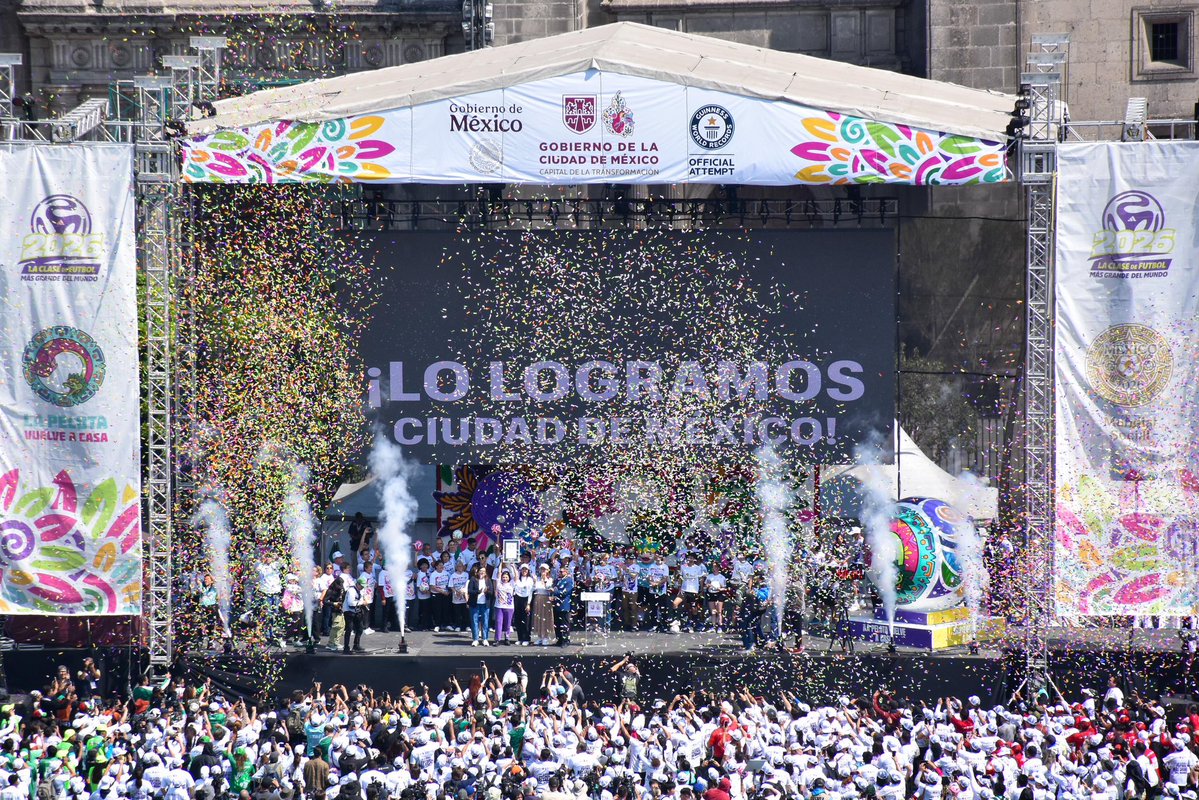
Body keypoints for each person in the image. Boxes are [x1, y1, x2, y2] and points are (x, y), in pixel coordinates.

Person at [342, 575, 368, 654]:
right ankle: (346, 648)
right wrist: (362, 603)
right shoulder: (351, 591)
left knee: (360, 628)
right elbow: (351, 603)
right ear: (358, 584)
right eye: (362, 586)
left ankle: (356, 645)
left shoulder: (360, 590)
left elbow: (361, 597)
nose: (363, 588)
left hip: (356, 611)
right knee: (349, 629)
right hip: (348, 611)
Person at [531, 564, 556, 646]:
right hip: (538, 599)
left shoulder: (550, 579)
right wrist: (535, 581)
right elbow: (534, 589)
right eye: (542, 569)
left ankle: (545, 636)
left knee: (545, 617)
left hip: (546, 599)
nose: (543, 571)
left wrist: (544, 580)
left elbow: (548, 589)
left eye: (544, 570)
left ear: (548, 571)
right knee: (538, 617)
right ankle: (539, 637)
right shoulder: (537, 579)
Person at [467, 564, 492, 646]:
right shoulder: (473, 579)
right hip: (475, 603)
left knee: (485, 621)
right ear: (477, 572)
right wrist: (478, 591)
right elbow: (470, 591)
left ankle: (485, 639)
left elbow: (491, 592)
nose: (482, 573)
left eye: (484, 572)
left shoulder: (488, 580)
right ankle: (475, 639)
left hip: (485, 603)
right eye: (480, 571)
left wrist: (486, 592)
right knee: (474, 621)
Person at [513, 563, 534, 645]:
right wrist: (513, 566)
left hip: (526, 599)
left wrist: (528, 603)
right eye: (523, 569)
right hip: (518, 599)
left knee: (526, 620)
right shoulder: (518, 579)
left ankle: (526, 638)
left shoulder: (530, 579)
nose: (524, 571)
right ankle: (520, 638)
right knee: (518, 619)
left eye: (526, 569)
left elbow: (530, 592)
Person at [554, 565, 575, 646]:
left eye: (562, 571)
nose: (560, 573)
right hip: (557, 604)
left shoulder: (569, 580)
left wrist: (555, 592)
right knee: (557, 623)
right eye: (559, 571)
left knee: (564, 623)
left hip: (564, 605)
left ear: (566, 572)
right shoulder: (558, 581)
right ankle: (559, 639)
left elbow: (564, 592)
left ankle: (565, 640)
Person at [493, 569, 516, 645]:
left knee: (508, 623)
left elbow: (516, 576)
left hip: (509, 607)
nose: (504, 579)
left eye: (506, 577)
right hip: (499, 606)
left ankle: (507, 638)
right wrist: (501, 563)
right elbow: (499, 573)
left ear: (509, 578)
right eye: (503, 577)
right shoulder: (499, 583)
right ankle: (497, 639)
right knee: (499, 622)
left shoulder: (511, 584)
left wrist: (512, 566)